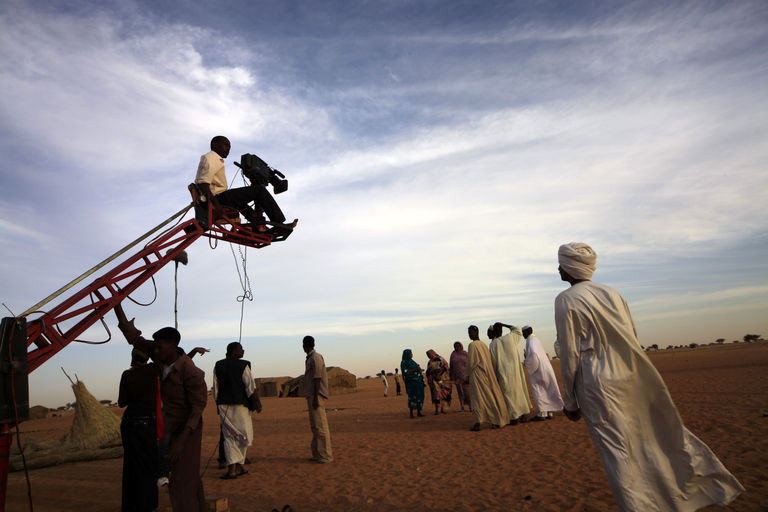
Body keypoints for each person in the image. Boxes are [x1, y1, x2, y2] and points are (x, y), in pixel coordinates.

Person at [555, 242, 744, 511]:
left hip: (598, 383)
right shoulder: (613, 294)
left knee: (618, 453)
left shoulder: (566, 299)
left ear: (570, 267)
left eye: (561, 263)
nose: (558, 269)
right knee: (648, 439)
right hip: (632, 375)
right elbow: (631, 334)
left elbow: (570, 353)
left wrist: (571, 401)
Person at [114, 304, 208, 512]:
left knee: (181, 484)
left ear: (173, 346)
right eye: (154, 347)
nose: (154, 351)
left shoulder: (192, 373)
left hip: (186, 430)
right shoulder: (160, 356)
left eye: (159, 347)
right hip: (166, 426)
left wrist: (180, 443)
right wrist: (117, 306)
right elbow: (134, 338)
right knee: (188, 477)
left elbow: (196, 411)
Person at [194, 135, 294, 231]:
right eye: (226, 145)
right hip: (218, 198)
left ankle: (258, 226)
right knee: (259, 190)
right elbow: (203, 184)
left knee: (241, 203)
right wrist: (218, 206)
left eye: (230, 146)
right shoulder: (212, 157)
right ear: (215, 144)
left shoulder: (215, 159)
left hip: (219, 197)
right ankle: (279, 222)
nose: (228, 149)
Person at [118, 349, 160, 512]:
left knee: (130, 464)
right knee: (148, 464)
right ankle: (147, 504)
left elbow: (122, 402)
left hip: (128, 421)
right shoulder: (152, 370)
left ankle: (130, 505)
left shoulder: (126, 375)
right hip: (145, 421)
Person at [214, 342, 260, 479]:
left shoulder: (218, 365)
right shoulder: (244, 365)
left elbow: (215, 388)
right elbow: (250, 387)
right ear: (234, 351)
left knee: (230, 436)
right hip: (241, 406)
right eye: (241, 349)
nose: (243, 351)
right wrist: (257, 403)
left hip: (224, 406)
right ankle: (232, 470)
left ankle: (238, 467)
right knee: (241, 436)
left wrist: (218, 404)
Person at [467, 325, 509, 431]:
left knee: (478, 399)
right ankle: (495, 419)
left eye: (471, 332)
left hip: (477, 375)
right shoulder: (484, 345)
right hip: (486, 374)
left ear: (476, 333)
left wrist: (467, 375)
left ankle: (478, 422)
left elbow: (471, 363)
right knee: (489, 396)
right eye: (469, 333)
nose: (469, 335)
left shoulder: (472, 345)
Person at [489, 322, 532, 425]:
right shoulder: (510, 337)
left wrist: (495, 375)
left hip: (503, 373)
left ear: (493, 333)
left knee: (508, 395)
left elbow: (493, 362)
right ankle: (523, 414)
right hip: (515, 372)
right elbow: (518, 329)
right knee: (519, 391)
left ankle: (514, 417)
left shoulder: (493, 344)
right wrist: (504, 324)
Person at [521, 326, 563, 420]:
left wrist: (527, 363)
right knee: (547, 390)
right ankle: (549, 412)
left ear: (527, 332)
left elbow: (534, 356)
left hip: (538, 370)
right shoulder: (536, 340)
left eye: (523, 333)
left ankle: (542, 413)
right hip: (546, 368)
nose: (523, 335)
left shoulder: (530, 341)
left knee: (539, 391)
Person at [302, 336, 333, 463]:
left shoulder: (316, 357)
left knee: (321, 426)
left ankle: (326, 456)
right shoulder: (310, 358)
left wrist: (315, 397)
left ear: (305, 345)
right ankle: (318, 454)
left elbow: (317, 377)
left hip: (317, 395)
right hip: (312, 395)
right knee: (315, 427)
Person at [400, 349, 426, 418]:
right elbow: (405, 372)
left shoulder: (412, 361)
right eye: (410, 353)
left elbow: (417, 368)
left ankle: (418, 412)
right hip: (411, 383)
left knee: (419, 397)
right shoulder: (404, 362)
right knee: (412, 397)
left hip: (418, 382)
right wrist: (415, 369)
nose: (412, 355)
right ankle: (411, 414)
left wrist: (419, 370)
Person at [425, 349, 452, 414]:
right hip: (434, 381)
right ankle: (437, 410)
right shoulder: (429, 362)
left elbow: (446, 366)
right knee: (436, 395)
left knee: (443, 394)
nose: (428, 356)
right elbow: (428, 371)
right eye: (427, 355)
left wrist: (439, 374)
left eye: (429, 354)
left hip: (443, 380)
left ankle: (442, 409)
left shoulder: (440, 359)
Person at [449, 341, 471, 411]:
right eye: (455, 346)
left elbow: (470, 364)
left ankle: (471, 407)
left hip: (466, 376)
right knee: (460, 392)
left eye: (458, 346)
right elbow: (451, 365)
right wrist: (451, 375)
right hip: (457, 376)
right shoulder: (453, 354)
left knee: (468, 392)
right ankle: (462, 407)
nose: (457, 347)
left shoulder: (466, 354)